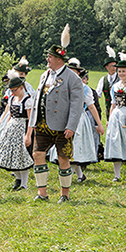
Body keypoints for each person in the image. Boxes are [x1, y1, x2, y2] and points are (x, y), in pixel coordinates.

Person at [28, 26, 84, 203]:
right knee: (38, 155)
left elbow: (77, 104)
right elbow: (37, 100)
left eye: (50, 57)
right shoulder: (45, 75)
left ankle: (64, 195)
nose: (47, 59)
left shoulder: (72, 78)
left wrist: (71, 126)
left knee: (63, 158)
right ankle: (42, 193)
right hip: (43, 124)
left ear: (59, 59)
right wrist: (33, 123)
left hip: (62, 126)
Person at [0, 71, 35, 190]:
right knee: (11, 153)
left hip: (22, 128)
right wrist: (3, 124)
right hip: (12, 128)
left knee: (22, 155)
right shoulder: (12, 99)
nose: (12, 92)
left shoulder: (27, 100)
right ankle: (18, 178)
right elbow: (10, 113)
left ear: (21, 87)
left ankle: (24, 184)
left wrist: (28, 135)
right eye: (11, 90)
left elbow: (30, 119)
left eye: (14, 90)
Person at [95, 46, 120, 120]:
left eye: (115, 66)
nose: (114, 68)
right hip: (109, 108)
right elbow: (97, 95)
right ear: (106, 67)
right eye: (112, 66)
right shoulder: (103, 80)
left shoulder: (120, 78)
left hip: (121, 109)